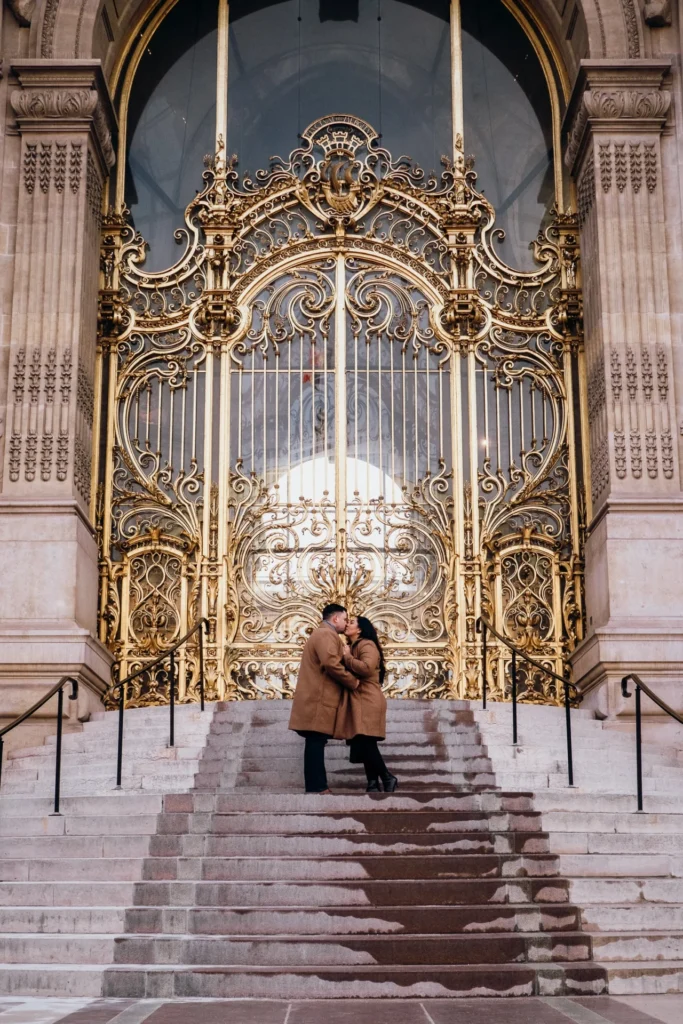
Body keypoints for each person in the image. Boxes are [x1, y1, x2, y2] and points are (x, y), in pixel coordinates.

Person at [288, 603, 359, 794]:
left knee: (315, 742)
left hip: (316, 697)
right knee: (316, 742)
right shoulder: (326, 634)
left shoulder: (322, 634)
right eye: (345, 619)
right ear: (335, 619)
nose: (346, 623)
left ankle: (316, 786)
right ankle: (318, 787)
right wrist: (353, 681)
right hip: (317, 698)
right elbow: (331, 664)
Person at [338, 615, 398, 793]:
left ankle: (387, 777)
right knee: (363, 741)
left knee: (366, 741)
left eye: (352, 622)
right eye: (347, 621)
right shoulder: (355, 646)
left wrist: (347, 657)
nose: (347, 624)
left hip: (368, 698)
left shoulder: (366, 645)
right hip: (360, 698)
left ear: (360, 629)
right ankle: (372, 783)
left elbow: (366, 668)